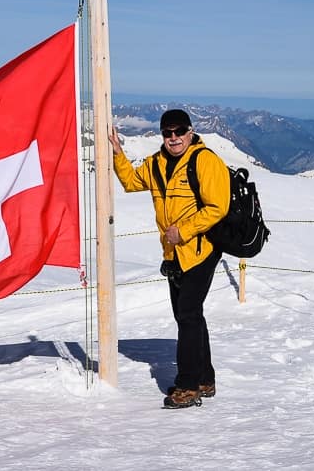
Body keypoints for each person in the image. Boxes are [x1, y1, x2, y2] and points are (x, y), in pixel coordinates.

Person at [108, 108, 230, 409]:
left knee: (187, 314)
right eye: (167, 132)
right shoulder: (157, 163)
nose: (173, 138)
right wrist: (118, 153)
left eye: (179, 131)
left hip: (201, 249)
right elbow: (132, 182)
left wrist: (184, 231)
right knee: (189, 314)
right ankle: (205, 378)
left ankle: (188, 385)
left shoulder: (204, 160)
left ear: (190, 132)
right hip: (174, 252)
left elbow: (218, 207)